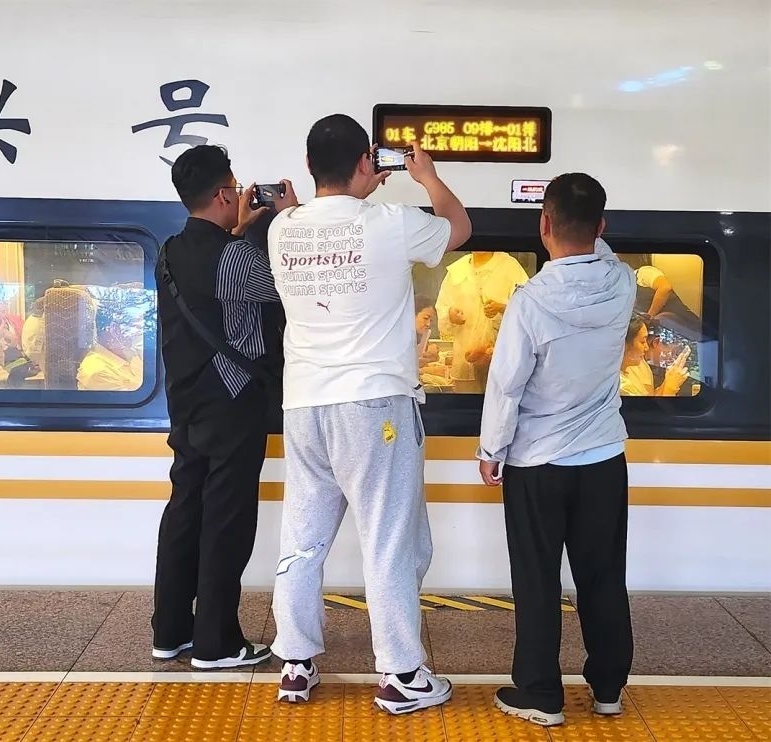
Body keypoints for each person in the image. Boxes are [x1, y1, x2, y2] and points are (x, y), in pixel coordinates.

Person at [266, 114, 471, 712]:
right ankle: (402, 674)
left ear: (309, 166)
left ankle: (296, 663)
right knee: (388, 541)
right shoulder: (391, 222)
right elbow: (459, 228)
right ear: (367, 163)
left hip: (304, 405)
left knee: (302, 541)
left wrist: (344, 194)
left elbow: (316, 231)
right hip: (374, 404)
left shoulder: (282, 228)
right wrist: (426, 177)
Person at [476, 173, 636, 727]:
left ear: (544, 225)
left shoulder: (530, 300)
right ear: (602, 226)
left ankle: (541, 693)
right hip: (602, 456)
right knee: (603, 574)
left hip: (537, 463)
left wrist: (491, 449)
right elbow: (599, 250)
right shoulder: (622, 283)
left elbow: (506, 385)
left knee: (537, 579)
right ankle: (609, 687)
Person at [151, 144, 298, 670]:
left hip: (185, 403)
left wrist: (242, 227)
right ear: (221, 194)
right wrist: (289, 220)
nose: (239, 195)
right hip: (233, 403)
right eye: (234, 188)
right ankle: (216, 643)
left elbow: (213, 289)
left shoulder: (168, 252)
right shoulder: (237, 259)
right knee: (227, 520)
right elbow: (292, 284)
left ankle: (170, 631)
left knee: (185, 509)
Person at [435, 251, 529, 393]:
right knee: (467, 405)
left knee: (499, 401)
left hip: (501, 359)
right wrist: (450, 315)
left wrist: (503, 308)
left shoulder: (509, 266)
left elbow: (528, 307)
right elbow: (442, 308)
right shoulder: (457, 270)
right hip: (466, 360)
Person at [77, 304, 143, 391]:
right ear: (114, 329)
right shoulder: (97, 372)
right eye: (134, 326)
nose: (140, 332)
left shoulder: (132, 352)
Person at [619, 316, 689, 396]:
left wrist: (669, 380)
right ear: (624, 344)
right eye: (642, 341)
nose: (646, 347)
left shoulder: (641, 365)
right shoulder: (620, 386)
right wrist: (671, 387)